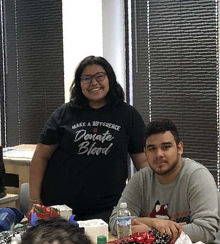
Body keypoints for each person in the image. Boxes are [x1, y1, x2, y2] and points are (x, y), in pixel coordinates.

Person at [31, 55, 148, 222]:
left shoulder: (127, 115)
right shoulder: (63, 114)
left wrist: (145, 201)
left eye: (100, 76)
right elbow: (41, 157)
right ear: (79, 83)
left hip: (108, 210)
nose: (94, 83)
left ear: (110, 79)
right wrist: (34, 201)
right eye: (86, 78)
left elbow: (142, 164)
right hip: (61, 210)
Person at [109, 119, 220, 244]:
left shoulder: (197, 176)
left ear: (179, 148)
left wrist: (150, 231)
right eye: (152, 149)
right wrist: (153, 222)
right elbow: (115, 221)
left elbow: (205, 232)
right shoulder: (141, 179)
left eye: (166, 147)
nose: (159, 154)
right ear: (145, 152)